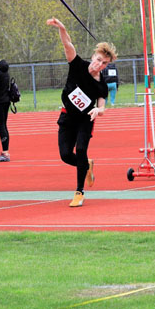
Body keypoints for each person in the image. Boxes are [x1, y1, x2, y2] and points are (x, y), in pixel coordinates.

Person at [47, 17, 116, 207]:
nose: (99, 65)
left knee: (82, 149)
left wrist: (98, 111)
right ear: (94, 56)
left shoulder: (101, 85)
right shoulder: (77, 64)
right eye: (99, 60)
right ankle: (86, 165)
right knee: (65, 155)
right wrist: (61, 27)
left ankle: (79, 192)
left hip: (85, 120)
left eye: (104, 64)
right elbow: (67, 43)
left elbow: (102, 106)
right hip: (67, 117)